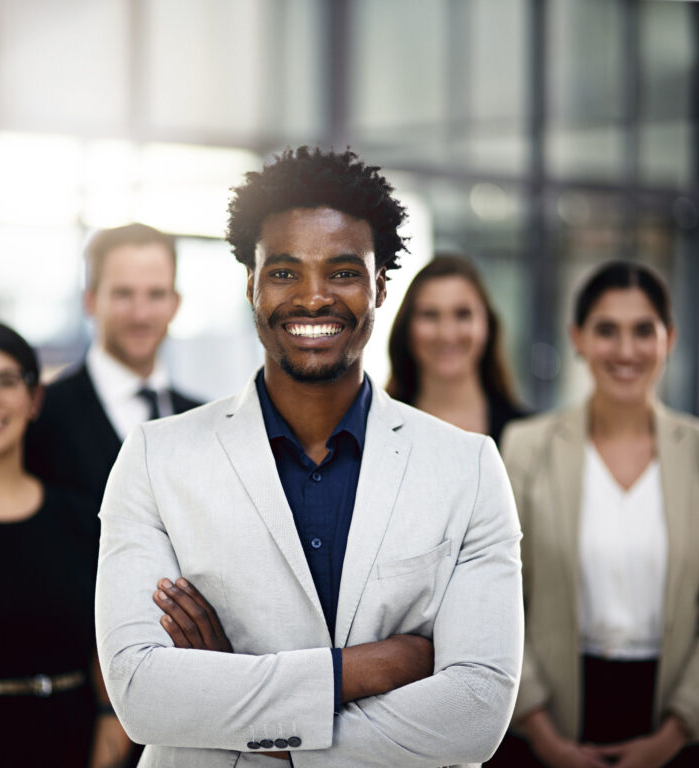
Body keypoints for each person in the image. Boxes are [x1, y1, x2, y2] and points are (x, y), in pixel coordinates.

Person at [95, 146, 524, 767]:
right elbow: (141, 694)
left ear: (380, 287)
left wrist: (240, 712)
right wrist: (371, 666)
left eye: (344, 272)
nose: (314, 297)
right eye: (285, 272)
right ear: (252, 285)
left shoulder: (469, 467)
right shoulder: (156, 458)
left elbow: (477, 710)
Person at [492, 261, 699, 767]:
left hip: (676, 721)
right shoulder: (525, 447)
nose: (625, 351)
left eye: (642, 331)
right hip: (549, 719)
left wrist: (672, 737)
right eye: (607, 330)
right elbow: (498, 601)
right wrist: (544, 738)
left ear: (668, 338)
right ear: (578, 338)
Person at [0, 319, 125, 768]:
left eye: (5, 381)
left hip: (72, 748)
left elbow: (111, 667)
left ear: (35, 398)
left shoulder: (85, 521)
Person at [25, 222, 201, 508]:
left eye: (155, 294)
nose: (140, 314)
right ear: (91, 301)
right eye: (123, 294)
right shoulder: (40, 416)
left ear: (175, 303)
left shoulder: (203, 422)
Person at [387, 254, 526, 445]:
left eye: (462, 315)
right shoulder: (377, 429)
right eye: (430, 315)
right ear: (406, 327)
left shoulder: (527, 434)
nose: (447, 334)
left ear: (487, 324)